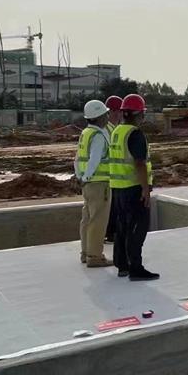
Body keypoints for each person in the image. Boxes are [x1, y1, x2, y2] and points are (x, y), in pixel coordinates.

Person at [110, 93, 159, 280]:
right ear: (138, 114)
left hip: (118, 188)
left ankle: (122, 265)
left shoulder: (117, 131)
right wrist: (145, 189)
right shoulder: (135, 134)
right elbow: (139, 164)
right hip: (133, 188)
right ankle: (135, 268)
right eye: (143, 114)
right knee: (137, 228)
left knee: (122, 227)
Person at [74, 100, 113, 267]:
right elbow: (94, 160)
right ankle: (95, 257)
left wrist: (80, 177)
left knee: (87, 219)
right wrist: (87, 177)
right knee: (98, 221)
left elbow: (77, 158)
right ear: (99, 117)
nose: (108, 116)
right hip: (98, 184)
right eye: (105, 114)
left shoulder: (86, 133)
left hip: (88, 185)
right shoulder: (98, 135)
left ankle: (85, 253)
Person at [103, 94, 124, 243]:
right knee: (111, 209)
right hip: (107, 177)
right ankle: (110, 234)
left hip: (113, 177)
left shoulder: (113, 129)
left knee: (113, 208)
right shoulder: (107, 131)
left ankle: (111, 233)